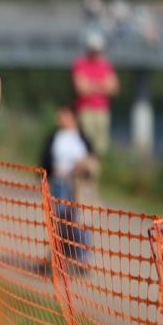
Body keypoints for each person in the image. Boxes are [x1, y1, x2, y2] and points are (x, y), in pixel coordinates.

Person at [41, 105, 98, 268]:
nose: (60, 118)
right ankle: (57, 258)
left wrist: (82, 167)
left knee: (80, 221)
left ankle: (82, 259)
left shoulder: (81, 137)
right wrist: (51, 171)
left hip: (78, 186)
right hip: (58, 184)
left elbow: (93, 160)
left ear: (73, 117)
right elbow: (45, 158)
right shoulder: (54, 136)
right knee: (58, 222)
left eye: (64, 115)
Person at [71, 31, 118, 156]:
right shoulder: (80, 64)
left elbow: (114, 88)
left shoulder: (106, 65)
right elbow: (80, 88)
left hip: (102, 109)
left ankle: (97, 169)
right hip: (85, 108)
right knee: (86, 141)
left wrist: (91, 85)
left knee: (101, 144)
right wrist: (102, 85)